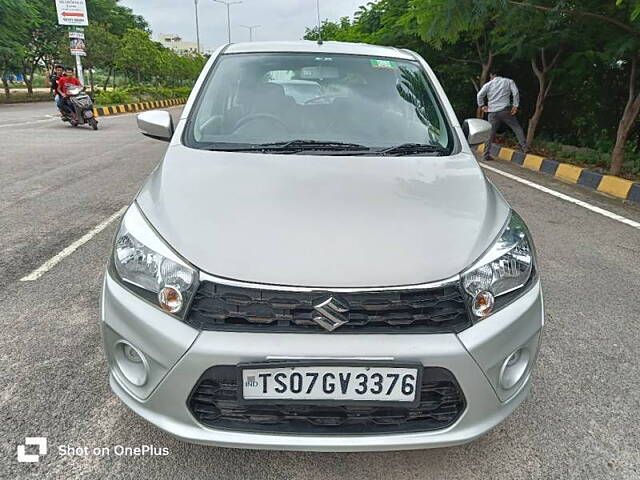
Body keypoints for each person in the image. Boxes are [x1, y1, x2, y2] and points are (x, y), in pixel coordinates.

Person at [476, 70, 527, 160]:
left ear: (492, 75)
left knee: (490, 133)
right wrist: (515, 105)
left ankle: (486, 154)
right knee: (516, 127)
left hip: (492, 112)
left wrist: (482, 106)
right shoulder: (509, 81)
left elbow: (479, 95)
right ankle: (524, 147)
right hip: (505, 110)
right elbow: (515, 93)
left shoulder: (488, 84)